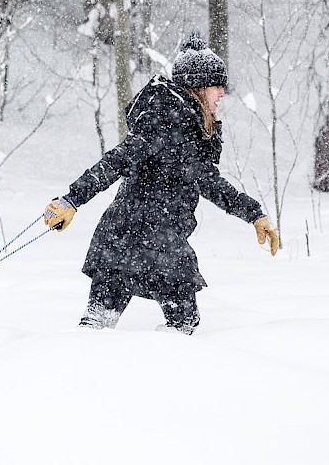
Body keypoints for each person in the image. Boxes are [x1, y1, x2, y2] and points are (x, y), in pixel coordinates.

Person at [43, 32, 279, 334]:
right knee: (182, 328)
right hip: (159, 246)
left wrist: (254, 213)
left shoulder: (176, 122)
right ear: (198, 88)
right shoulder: (167, 124)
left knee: (95, 328)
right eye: (217, 86)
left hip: (119, 243)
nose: (222, 94)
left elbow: (206, 180)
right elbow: (118, 160)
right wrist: (71, 199)